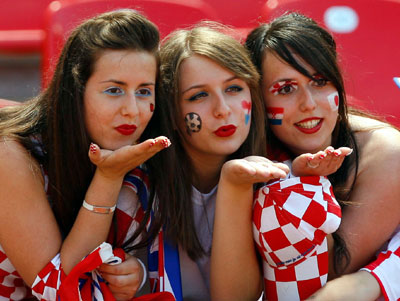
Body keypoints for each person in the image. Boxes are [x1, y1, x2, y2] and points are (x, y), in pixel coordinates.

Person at [212, 12, 400, 300]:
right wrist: (234, 186)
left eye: (320, 81)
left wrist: (307, 185)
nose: (309, 104)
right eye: (286, 89)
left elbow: (330, 275)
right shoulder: (246, 150)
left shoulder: (387, 152)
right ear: (259, 99)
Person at [0, 9, 171, 300]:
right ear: (75, 92)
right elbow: (59, 292)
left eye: (144, 91)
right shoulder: (11, 154)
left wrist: (136, 274)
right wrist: (109, 176)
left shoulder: (142, 152)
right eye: (114, 90)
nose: (132, 110)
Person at [133, 23, 292, 300]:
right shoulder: (137, 189)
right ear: (170, 110)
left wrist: (235, 185)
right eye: (199, 96)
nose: (222, 109)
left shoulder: (281, 179)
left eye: (233, 88)